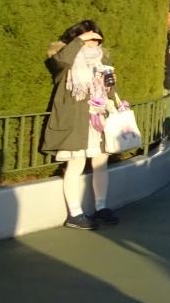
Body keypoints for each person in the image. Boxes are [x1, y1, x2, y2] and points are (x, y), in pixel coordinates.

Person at [41, 20, 127, 231]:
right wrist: (80, 41)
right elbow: (59, 63)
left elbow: (110, 91)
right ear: (77, 37)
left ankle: (101, 208)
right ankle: (75, 213)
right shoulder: (65, 57)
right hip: (75, 120)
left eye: (96, 38)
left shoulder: (102, 58)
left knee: (100, 163)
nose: (93, 42)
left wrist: (111, 84)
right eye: (89, 37)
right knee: (76, 164)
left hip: (99, 119)